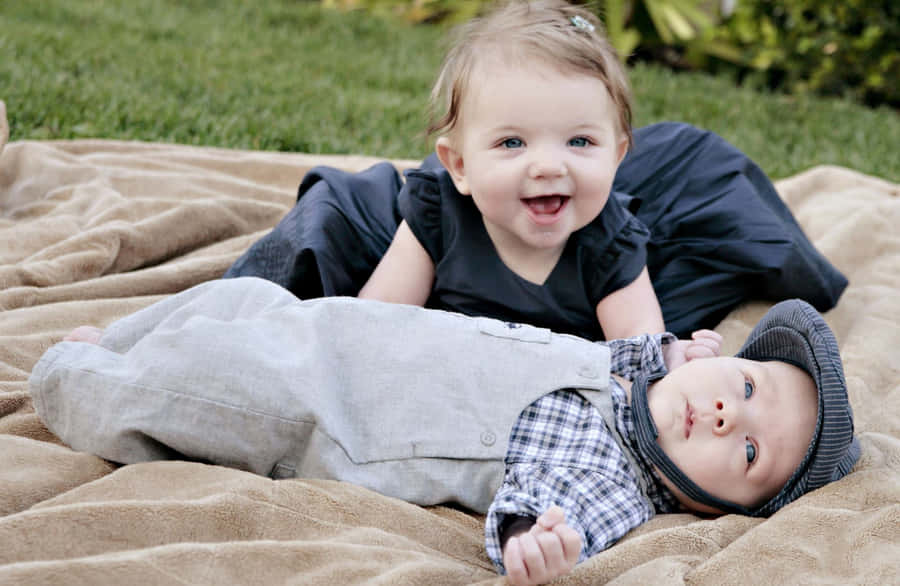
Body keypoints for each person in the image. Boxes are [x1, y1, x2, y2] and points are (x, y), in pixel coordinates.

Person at [31, 278, 859, 586]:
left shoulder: (614, 476)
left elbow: (556, 511)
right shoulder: (636, 373)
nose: (727, 413)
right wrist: (677, 352)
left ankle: (74, 379)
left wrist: (539, 545)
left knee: (204, 388)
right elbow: (648, 356)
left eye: (748, 450)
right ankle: (120, 339)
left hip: (330, 409)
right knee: (240, 301)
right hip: (346, 328)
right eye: (745, 385)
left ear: (717, 507)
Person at [357, 0, 666, 345]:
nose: (549, 167)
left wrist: (675, 356)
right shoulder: (437, 214)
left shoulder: (611, 243)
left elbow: (641, 353)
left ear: (616, 157)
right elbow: (373, 324)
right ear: (460, 166)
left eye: (579, 141)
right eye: (512, 142)